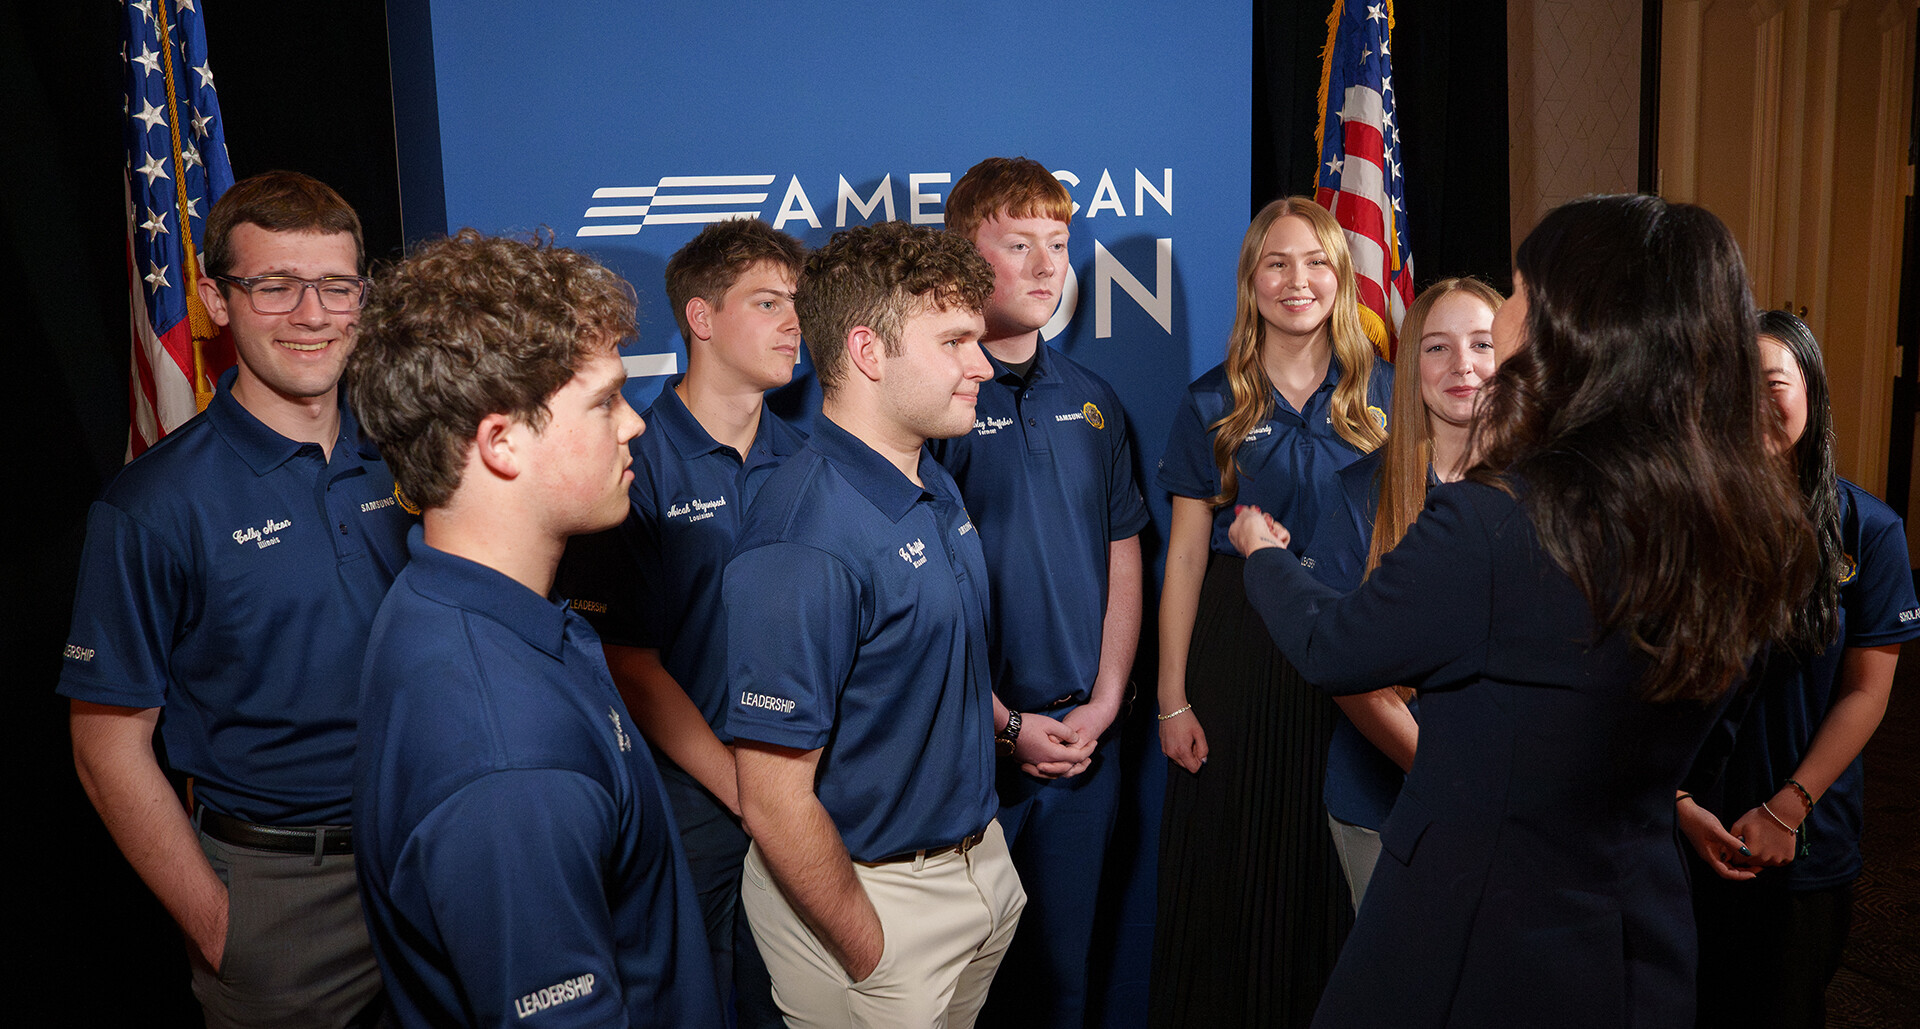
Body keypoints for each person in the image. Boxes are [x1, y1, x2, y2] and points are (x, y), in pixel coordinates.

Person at [1229, 194, 1816, 1028]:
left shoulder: (1497, 523)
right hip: (1637, 934)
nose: (1501, 316)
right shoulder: (1748, 525)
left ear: (1574, 328)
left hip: (1472, 939)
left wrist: (1265, 556)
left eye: (1515, 292)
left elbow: (1334, 646)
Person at [59, 171, 407, 1028]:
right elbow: (108, 745)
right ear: (216, 299)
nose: (312, 314)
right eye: (275, 286)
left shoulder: (411, 459)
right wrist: (225, 929)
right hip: (284, 900)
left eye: (335, 285)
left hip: (432, 849)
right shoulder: (153, 505)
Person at [348, 229, 722, 1028]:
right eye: (604, 401)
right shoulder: (509, 760)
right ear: (501, 441)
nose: (637, 425)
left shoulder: (436, 599)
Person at [723, 221, 1026, 1028]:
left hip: (977, 871)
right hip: (873, 910)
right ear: (868, 351)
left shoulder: (932, 476)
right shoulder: (803, 535)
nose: (983, 364)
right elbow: (774, 800)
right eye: (955, 340)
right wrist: (872, 950)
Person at [555, 218, 804, 1028]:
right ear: (701, 317)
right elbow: (628, 661)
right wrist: (742, 788)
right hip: (690, 799)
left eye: (796, 302)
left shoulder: (808, 460)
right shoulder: (635, 459)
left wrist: (782, 792)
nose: (794, 324)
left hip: (802, 790)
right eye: (767, 302)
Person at [1151, 196, 1389, 1027]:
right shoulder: (1209, 401)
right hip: (1239, 656)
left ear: (1342, 276)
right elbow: (1183, 555)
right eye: (1277, 263)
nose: (1298, 280)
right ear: (1252, 281)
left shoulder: (1388, 396)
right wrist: (1171, 694)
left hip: (1352, 653)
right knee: (1236, 866)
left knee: (1334, 865)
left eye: (1316, 262)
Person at [928, 156, 1150, 1027]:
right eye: (1018, 243)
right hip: (970, 750)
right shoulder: (934, 401)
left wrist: (1103, 701)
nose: (1046, 263)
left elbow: (1122, 551)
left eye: (1057, 243)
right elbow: (922, 595)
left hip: (1085, 748)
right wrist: (1004, 725)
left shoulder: (1095, 401)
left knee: (1064, 986)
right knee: (961, 999)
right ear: (964, 258)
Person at [1679, 311, 1920, 1029]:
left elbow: (1867, 692)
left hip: (1801, 839)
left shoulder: (1866, 530)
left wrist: (1788, 807)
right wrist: (1678, 803)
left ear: (1811, 393)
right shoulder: (1681, 521)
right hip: (1681, 830)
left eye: (1774, 381)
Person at [1306, 277, 1503, 910]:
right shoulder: (1356, 493)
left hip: (1515, 810)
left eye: (1482, 344)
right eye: (1438, 348)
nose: (1463, 366)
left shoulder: (1550, 493)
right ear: (1410, 364)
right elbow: (1343, 667)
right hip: (1383, 807)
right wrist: (1450, 779)